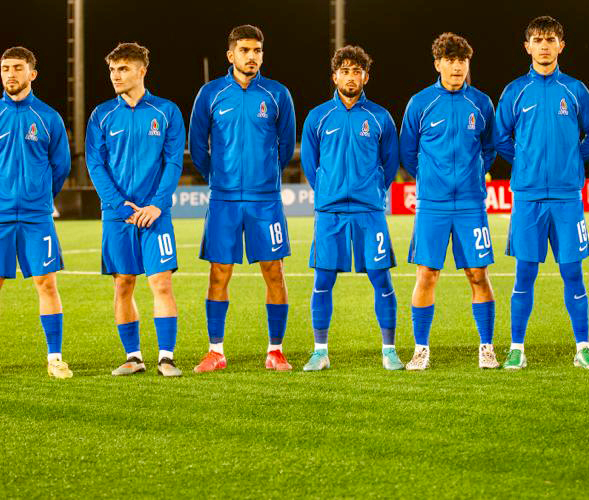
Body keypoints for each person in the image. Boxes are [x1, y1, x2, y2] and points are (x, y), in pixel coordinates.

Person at [494, 16, 589, 370]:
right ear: (527, 47)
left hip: (567, 198)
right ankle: (516, 348)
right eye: (538, 40)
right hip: (527, 197)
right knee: (524, 274)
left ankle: (583, 348)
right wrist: (525, 162)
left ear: (561, 46)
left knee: (573, 272)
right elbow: (500, 138)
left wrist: (571, 159)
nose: (544, 46)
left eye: (551, 39)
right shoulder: (515, 91)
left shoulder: (575, 90)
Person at [189, 25, 297, 373]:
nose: (252, 57)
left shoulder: (277, 94)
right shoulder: (210, 93)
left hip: (265, 200)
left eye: (257, 51)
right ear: (231, 55)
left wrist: (266, 176)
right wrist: (218, 178)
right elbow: (198, 145)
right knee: (218, 273)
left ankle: (276, 351)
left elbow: (286, 145)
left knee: (274, 272)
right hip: (223, 200)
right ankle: (215, 351)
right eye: (245, 50)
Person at [0, 47, 72, 380]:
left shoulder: (49, 118)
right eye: (5, 68)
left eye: (17, 68)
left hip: (36, 216)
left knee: (46, 283)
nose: (10, 74)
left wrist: (38, 196)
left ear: (32, 74)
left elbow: (61, 167)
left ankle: (55, 358)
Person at [299, 45, 402, 371]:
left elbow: (390, 162)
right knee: (323, 279)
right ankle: (320, 351)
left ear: (365, 77)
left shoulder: (380, 117)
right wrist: (328, 191)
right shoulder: (317, 117)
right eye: (344, 71)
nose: (351, 77)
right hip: (330, 213)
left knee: (381, 277)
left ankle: (389, 351)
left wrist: (372, 190)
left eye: (357, 71)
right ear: (335, 76)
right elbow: (310, 164)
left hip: (369, 212)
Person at [400, 32, 497, 371]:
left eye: (462, 61)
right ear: (437, 64)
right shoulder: (420, 103)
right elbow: (408, 152)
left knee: (478, 275)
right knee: (427, 274)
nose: (457, 67)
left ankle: (487, 347)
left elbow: (489, 148)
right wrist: (432, 180)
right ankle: (420, 349)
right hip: (433, 205)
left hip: (471, 204)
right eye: (450, 60)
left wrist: (472, 176)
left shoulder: (481, 103)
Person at [86, 43, 185, 378]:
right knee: (124, 284)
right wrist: (118, 205)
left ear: (142, 70)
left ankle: (166, 358)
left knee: (161, 283)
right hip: (117, 215)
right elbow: (95, 164)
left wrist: (157, 204)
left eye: (124, 69)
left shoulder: (166, 111)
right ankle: (133, 357)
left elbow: (173, 162)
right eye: (112, 69)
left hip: (156, 215)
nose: (116, 75)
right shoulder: (101, 115)